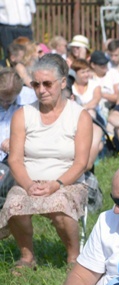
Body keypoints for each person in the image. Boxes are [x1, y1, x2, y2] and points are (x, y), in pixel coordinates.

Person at [0, 53, 91, 270]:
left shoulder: (80, 116)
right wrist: (29, 185)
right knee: (14, 204)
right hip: (28, 181)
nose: (41, 90)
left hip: (67, 182)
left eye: (47, 84)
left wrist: (56, 185)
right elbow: (15, 159)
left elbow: (81, 163)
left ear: (62, 83)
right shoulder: (23, 114)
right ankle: (27, 257)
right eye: (36, 84)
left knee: (61, 206)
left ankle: (73, 258)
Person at [89, 50, 119, 123]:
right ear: (93, 65)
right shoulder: (89, 77)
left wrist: (101, 94)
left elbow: (118, 96)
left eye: (106, 63)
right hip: (95, 108)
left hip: (111, 108)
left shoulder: (113, 73)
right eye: (101, 64)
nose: (104, 66)